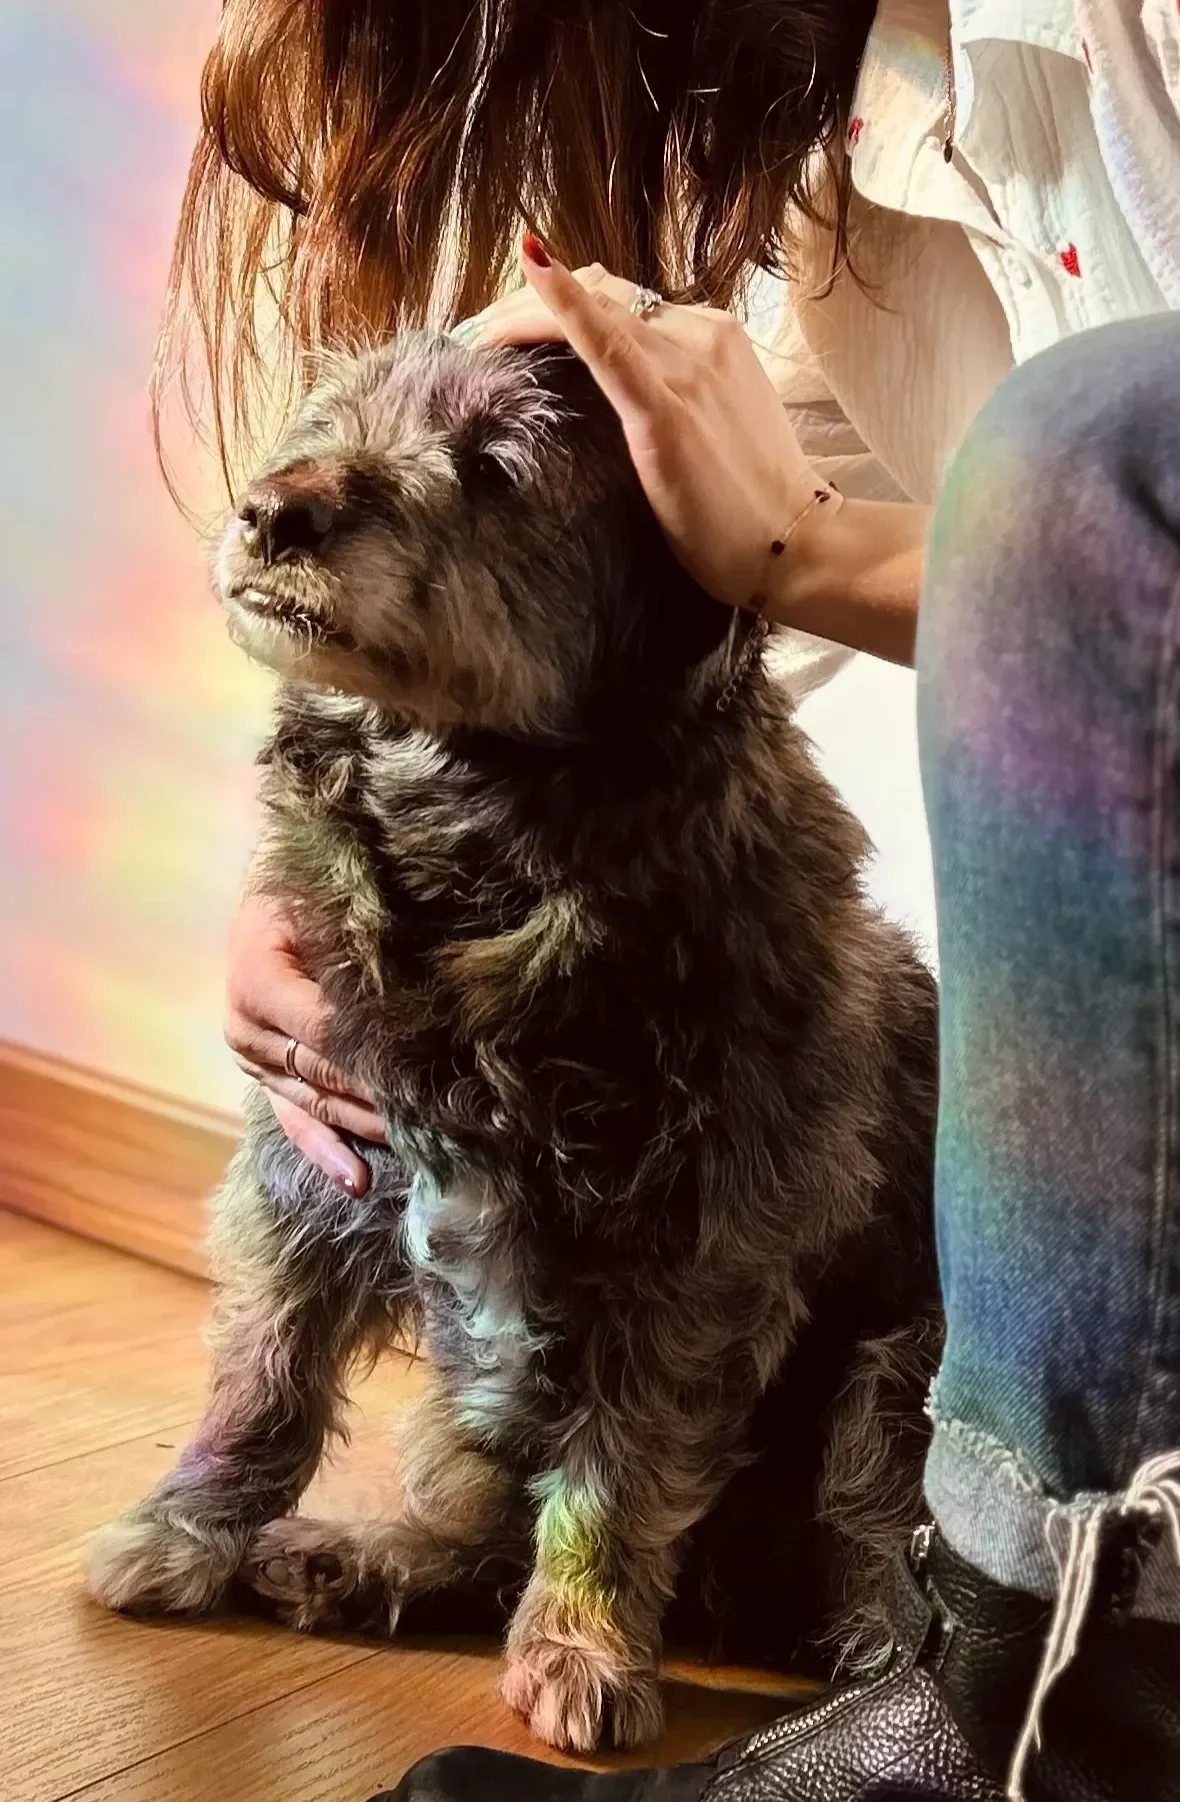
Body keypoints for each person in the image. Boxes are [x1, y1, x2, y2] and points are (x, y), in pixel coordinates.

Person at [167, 2, 1180, 1796]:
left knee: (1081, 442)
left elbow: (853, 555)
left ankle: (1055, 1700)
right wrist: (354, 897)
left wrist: (807, 544)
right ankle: (993, 1654)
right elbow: (687, 640)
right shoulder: (852, 157)